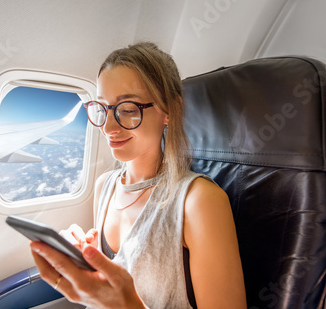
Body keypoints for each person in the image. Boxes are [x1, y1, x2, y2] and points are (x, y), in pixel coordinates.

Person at [30, 42, 247, 308]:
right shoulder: (104, 187)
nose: (109, 127)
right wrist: (84, 261)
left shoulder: (199, 202)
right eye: (104, 108)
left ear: (170, 110)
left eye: (128, 109)